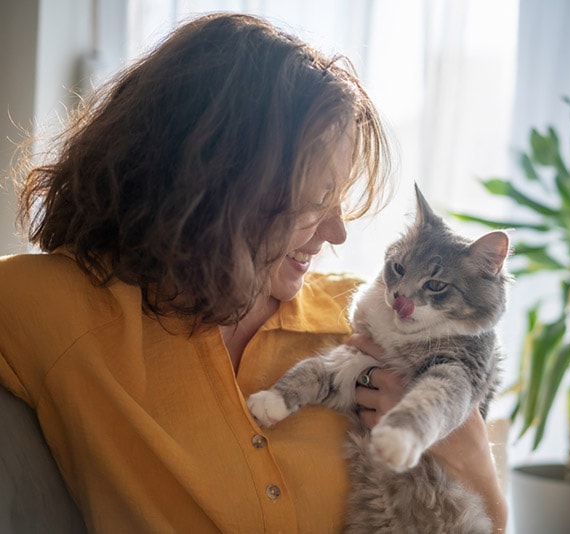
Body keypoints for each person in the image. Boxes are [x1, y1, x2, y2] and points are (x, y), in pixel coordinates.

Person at [0, 12, 507, 533]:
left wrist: (474, 463)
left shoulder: (363, 323)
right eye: (315, 202)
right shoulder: (61, 306)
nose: (337, 234)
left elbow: (478, 518)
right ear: (216, 188)